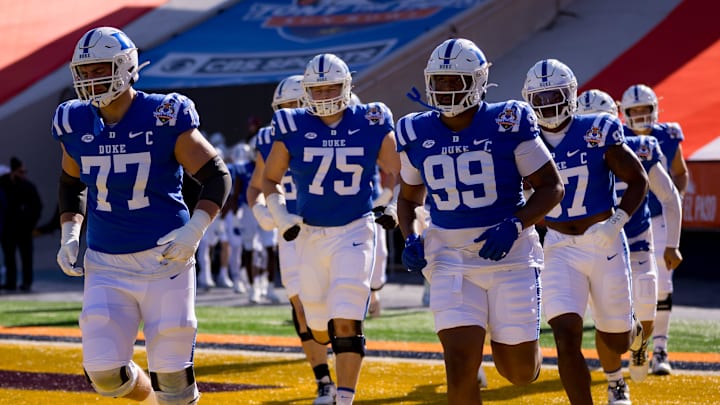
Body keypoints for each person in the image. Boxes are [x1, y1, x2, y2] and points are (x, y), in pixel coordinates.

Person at [52, 27, 231, 404]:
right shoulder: (74, 120)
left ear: (125, 67)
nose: (90, 79)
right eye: (84, 71)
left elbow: (216, 176)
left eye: (100, 68)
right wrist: (70, 232)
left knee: (173, 379)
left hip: (165, 258)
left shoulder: (164, 114)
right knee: (103, 373)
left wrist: (194, 231)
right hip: (105, 263)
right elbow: (72, 183)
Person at [396, 38, 564, 404]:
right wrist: (410, 238)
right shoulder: (415, 131)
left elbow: (552, 187)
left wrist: (515, 224)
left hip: (511, 257)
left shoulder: (508, 120)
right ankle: (476, 336)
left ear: (476, 81)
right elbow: (408, 200)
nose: (444, 89)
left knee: (518, 373)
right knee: (459, 365)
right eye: (439, 81)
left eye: (454, 81)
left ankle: (509, 342)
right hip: (450, 259)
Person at [262, 55, 401, 405]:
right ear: (306, 90)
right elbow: (269, 179)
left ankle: (344, 396)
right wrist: (279, 214)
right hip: (309, 234)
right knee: (319, 329)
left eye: (332, 87)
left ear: (348, 87)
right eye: (317, 89)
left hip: (355, 228)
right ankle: (330, 372)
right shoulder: (291, 123)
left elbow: (400, 170)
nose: (324, 95)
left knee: (347, 316)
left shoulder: (371, 118)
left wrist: (389, 201)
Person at [522, 59, 648, 404]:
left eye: (554, 96)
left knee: (617, 339)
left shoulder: (597, 129)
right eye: (540, 98)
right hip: (559, 245)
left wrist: (616, 222)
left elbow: (638, 180)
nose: (548, 105)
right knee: (565, 335)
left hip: (603, 239)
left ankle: (633, 331)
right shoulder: (525, 140)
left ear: (571, 94)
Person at [578, 89, 683, 381]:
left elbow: (671, 198)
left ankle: (643, 344)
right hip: (596, 244)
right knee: (605, 312)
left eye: (598, 123)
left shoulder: (640, 147)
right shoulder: (567, 151)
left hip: (636, 236)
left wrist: (672, 244)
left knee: (648, 299)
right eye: (585, 123)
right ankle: (615, 369)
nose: (592, 132)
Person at [249, 74, 337, 404]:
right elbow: (257, 185)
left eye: (297, 105)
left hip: (334, 227)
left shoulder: (334, 132)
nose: (291, 113)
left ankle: (344, 370)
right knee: (300, 305)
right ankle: (324, 380)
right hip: (291, 231)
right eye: (285, 107)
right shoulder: (271, 138)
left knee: (341, 306)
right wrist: (259, 208)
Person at [619, 84, 688, 376]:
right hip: (622, 221)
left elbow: (680, 173)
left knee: (661, 286)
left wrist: (675, 201)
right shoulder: (615, 136)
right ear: (624, 113)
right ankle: (633, 345)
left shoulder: (668, 135)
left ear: (654, 109)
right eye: (634, 111)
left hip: (656, 219)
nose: (640, 115)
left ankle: (659, 348)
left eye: (645, 109)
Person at [0, 157, 43, 292]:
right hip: (8, 229)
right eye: (20, 172)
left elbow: (37, 207)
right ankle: (10, 282)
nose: (23, 174)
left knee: (26, 257)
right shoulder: (3, 185)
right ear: (13, 172)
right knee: (9, 257)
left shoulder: (28, 187)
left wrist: (30, 223)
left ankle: (26, 282)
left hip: (24, 229)